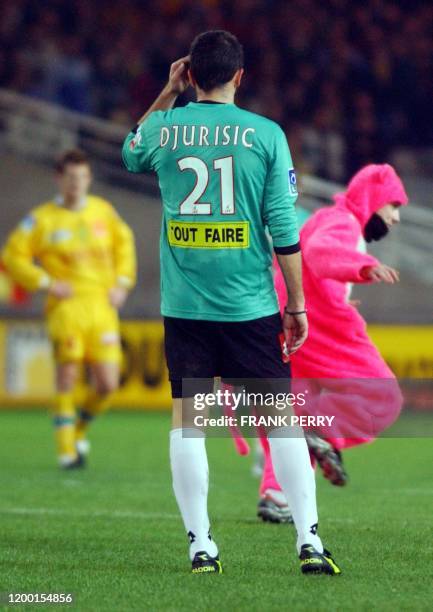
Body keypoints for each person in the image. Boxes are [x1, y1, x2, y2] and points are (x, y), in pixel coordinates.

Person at [122, 30, 341, 575]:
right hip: (249, 305)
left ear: (190, 74)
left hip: (186, 308)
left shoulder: (168, 128)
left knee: (187, 422)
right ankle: (309, 542)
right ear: (240, 77)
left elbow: (129, 153)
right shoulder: (267, 135)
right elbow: (283, 226)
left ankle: (201, 547)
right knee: (280, 419)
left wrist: (168, 93)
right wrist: (297, 304)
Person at [256, 163, 408, 519]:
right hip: (320, 325)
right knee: (382, 397)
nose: (396, 218)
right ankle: (315, 428)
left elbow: (306, 262)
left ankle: (277, 494)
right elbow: (323, 253)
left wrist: (338, 291)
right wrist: (363, 266)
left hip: (284, 318)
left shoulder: (326, 216)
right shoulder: (343, 222)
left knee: (291, 401)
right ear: (373, 199)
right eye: (394, 205)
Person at [2, 149, 136, 469]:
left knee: (107, 384)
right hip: (66, 307)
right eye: (70, 177)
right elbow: (12, 257)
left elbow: (125, 247)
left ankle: (77, 429)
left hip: (102, 306)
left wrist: (122, 283)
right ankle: (66, 453)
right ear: (58, 179)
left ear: (89, 179)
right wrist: (45, 282)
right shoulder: (42, 219)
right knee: (68, 375)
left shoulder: (104, 212)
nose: (76, 183)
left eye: (81, 177)